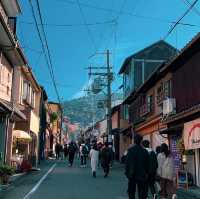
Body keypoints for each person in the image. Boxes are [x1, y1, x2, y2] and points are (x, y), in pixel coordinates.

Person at [125, 134, 149, 199]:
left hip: (132, 174)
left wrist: (127, 173)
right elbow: (147, 164)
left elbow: (127, 163)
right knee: (141, 192)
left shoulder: (130, 150)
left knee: (131, 191)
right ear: (141, 141)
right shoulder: (144, 151)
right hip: (142, 174)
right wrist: (146, 173)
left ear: (134, 141)